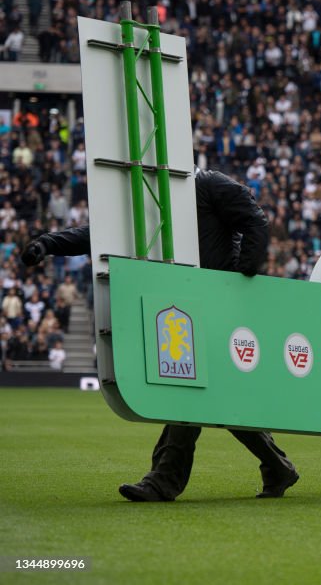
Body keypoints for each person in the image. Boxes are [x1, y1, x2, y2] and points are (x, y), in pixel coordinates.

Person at [20, 168, 299, 502]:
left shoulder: (209, 185)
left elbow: (256, 221)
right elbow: (102, 235)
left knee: (189, 392)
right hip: (188, 305)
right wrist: (47, 244)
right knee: (216, 398)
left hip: (222, 309)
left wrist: (238, 277)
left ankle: (163, 481)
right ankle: (277, 467)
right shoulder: (154, 205)